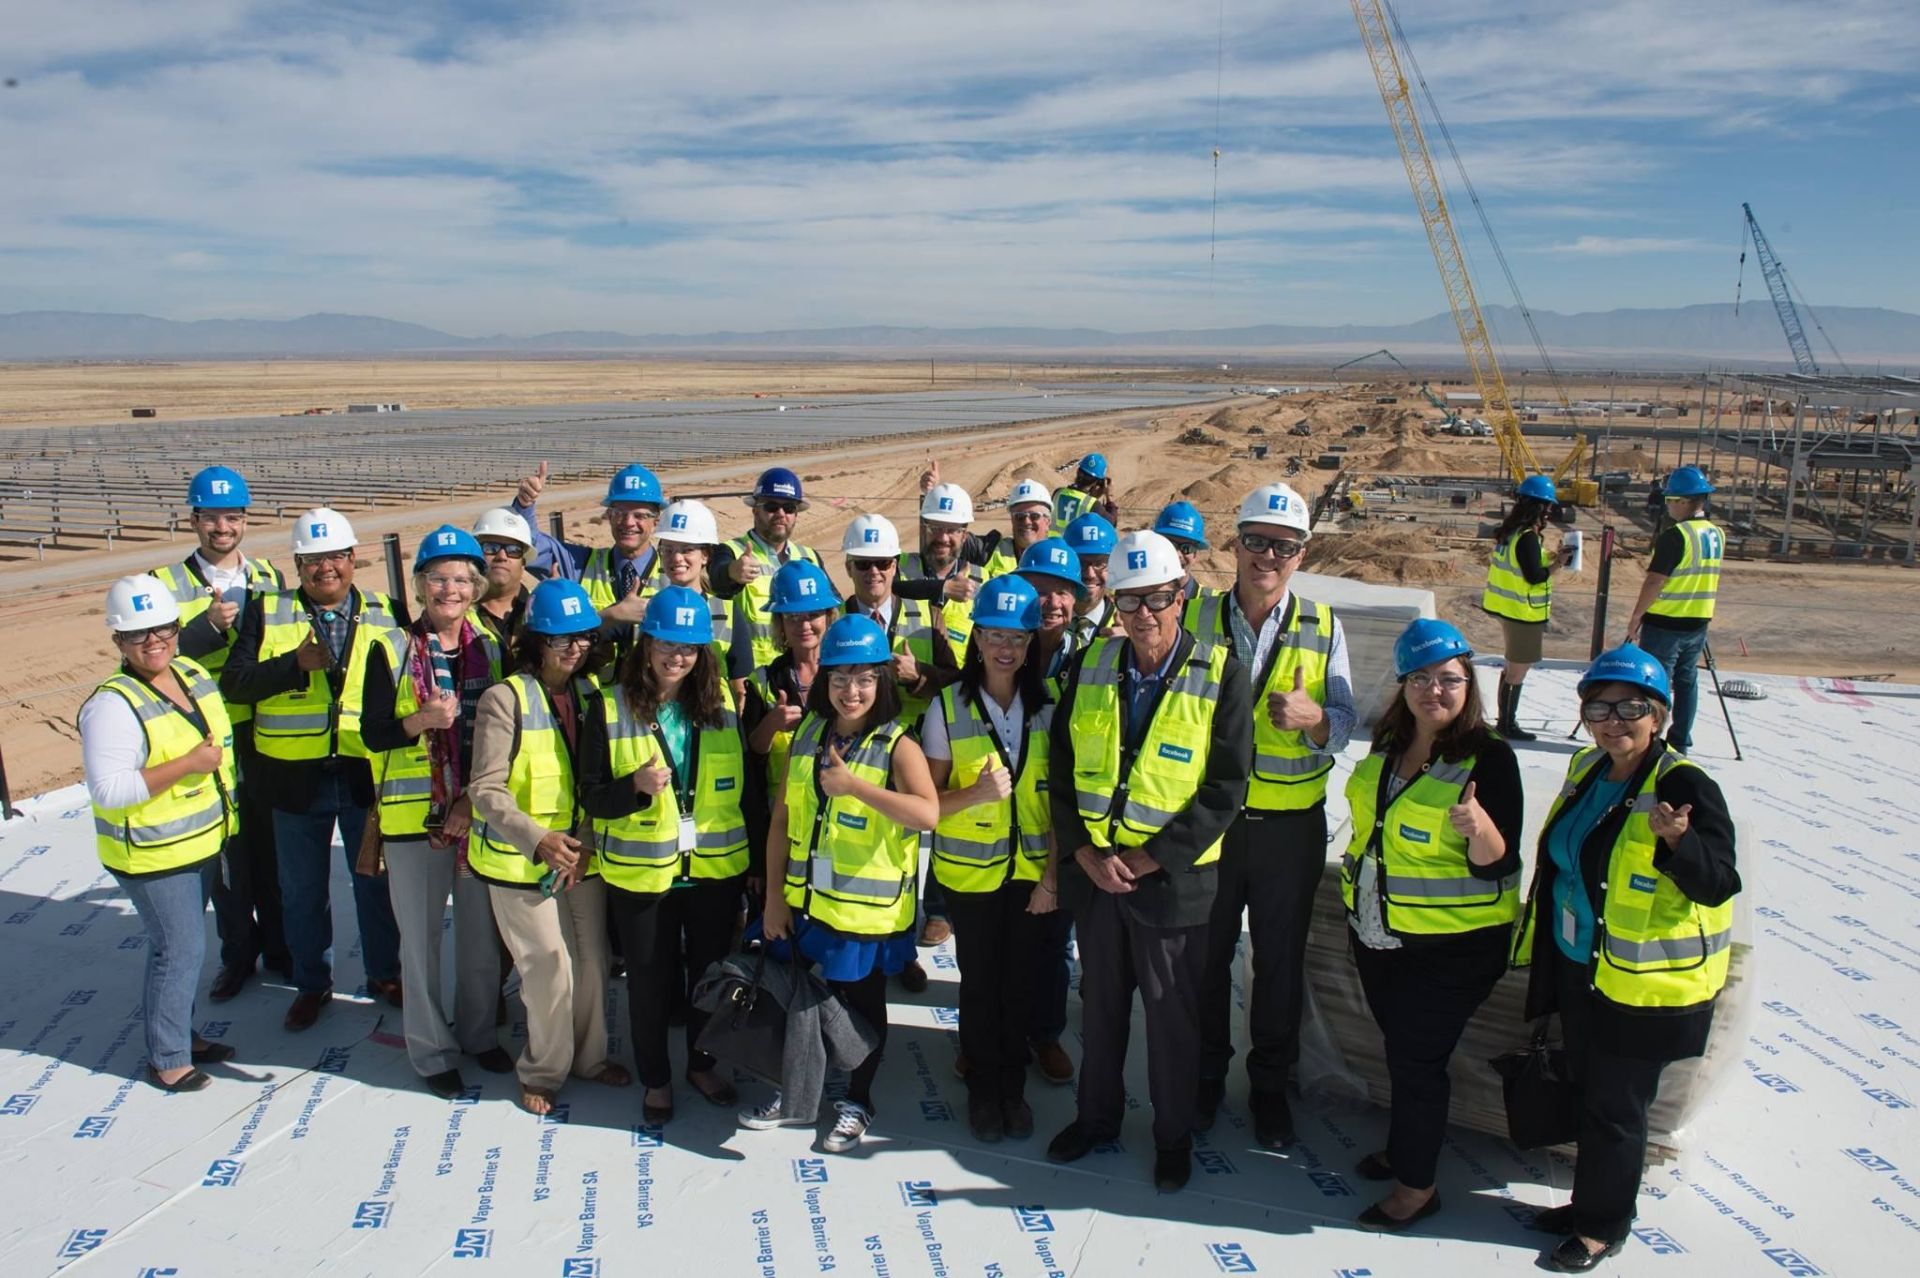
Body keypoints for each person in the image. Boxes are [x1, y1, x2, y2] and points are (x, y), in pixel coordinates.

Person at [1513, 645, 1739, 1272]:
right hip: (1580, 963)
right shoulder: (1590, 767)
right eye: (1599, 707)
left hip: (1640, 985)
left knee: (1617, 1107)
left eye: (1631, 707)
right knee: (1590, 1091)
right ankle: (1590, 1202)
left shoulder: (1683, 784)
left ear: (1660, 714)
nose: (1614, 720)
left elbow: (1718, 881)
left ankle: (1603, 1225)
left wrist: (1680, 842)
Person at [1046, 531, 1252, 1192]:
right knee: (1101, 1011)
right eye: (1130, 600)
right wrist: (1082, 849)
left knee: (1171, 1020)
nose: (1143, 615)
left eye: (1157, 599)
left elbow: (1226, 788)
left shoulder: (1220, 672)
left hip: (1173, 887)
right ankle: (1097, 1119)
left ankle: (1172, 1137)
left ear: (1182, 595)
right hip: (1098, 878)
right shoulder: (1090, 667)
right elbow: (1061, 767)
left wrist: (1147, 858)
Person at [1184, 482, 1357, 1148]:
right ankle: (1203, 1078)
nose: (1267, 557)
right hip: (1214, 825)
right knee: (1206, 960)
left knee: (1279, 965)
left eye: (1283, 547)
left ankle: (1268, 1087)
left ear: (1302, 553)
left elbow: (1346, 723)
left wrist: (1317, 721)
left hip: (1290, 828)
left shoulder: (1324, 625)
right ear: (1235, 544)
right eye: (1255, 541)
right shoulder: (1197, 619)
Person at [1340, 619, 1523, 1231]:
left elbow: (1503, 863)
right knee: (1403, 1052)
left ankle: (1416, 1188)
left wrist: (1480, 830)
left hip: (1452, 949)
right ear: (1402, 686)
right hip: (1381, 933)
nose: (1434, 692)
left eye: (1449, 679)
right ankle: (1404, 1148)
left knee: (1418, 1061)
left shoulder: (1490, 759)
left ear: (1470, 684)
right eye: (1420, 679)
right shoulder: (1390, 740)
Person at [751, 615, 941, 1152]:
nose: (850, 691)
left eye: (863, 679)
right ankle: (793, 1093)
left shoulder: (896, 744)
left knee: (860, 1012)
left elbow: (927, 815)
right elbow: (783, 821)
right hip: (806, 905)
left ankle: (857, 1100)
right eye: (839, 678)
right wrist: (773, 899)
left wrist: (854, 786)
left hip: (865, 916)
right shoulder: (809, 734)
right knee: (798, 1003)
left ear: (881, 682)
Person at [219, 508, 405, 1031]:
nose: (326, 568)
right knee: (301, 890)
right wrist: (291, 667)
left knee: (372, 882)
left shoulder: (385, 609)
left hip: (361, 774)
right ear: (297, 565)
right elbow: (235, 684)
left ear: (352, 558)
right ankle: (310, 983)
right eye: (313, 559)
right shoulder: (267, 611)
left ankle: (384, 974)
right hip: (294, 780)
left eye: (336, 557)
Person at [582, 586, 757, 1123]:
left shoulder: (723, 707)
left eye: (689, 647)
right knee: (650, 985)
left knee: (709, 980)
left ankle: (701, 1065)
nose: (676, 657)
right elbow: (590, 795)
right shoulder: (607, 705)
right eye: (665, 644)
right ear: (645, 642)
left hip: (713, 871)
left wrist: (754, 874)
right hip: (643, 875)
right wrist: (632, 785)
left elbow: (748, 792)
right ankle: (656, 1079)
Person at [467, 578, 632, 1115]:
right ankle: (542, 1070)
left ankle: (588, 1058)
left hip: (580, 852)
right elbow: (485, 789)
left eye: (582, 637)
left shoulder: (589, 695)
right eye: (561, 639)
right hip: (523, 860)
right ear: (535, 641)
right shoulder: (505, 698)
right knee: (548, 967)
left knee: (592, 960)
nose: (574, 648)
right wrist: (538, 840)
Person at [359, 527, 512, 1099]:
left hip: (474, 814)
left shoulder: (490, 647)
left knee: (479, 938)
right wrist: (420, 723)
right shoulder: (389, 648)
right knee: (419, 946)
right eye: (438, 579)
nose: (450, 589)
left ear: (475, 587)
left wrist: (471, 799)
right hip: (412, 823)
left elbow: (504, 735)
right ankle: (432, 1051)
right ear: (420, 585)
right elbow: (372, 734)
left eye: (461, 579)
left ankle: (478, 1035)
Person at [80, 575, 240, 1092]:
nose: (155, 643)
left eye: (164, 630)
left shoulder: (190, 671)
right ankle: (167, 1057)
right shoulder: (112, 705)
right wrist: (189, 765)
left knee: (181, 946)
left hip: (198, 840)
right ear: (118, 643)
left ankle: (179, 1034)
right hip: (153, 852)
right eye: (139, 635)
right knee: (180, 949)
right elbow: (110, 790)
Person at [924, 575, 1057, 1141]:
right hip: (971, 878)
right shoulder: (946, 708)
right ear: (976, 638)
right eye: (995, 635)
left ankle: (1013, 1088)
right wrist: (975, 795)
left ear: (1031, 645)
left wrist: (1053, 877)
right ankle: (984, 1087)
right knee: (980, 984)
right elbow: (926, 804)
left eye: (1019, 638)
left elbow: (1065, 803)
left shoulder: (1050, 707)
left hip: (1032, 877)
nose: (1007, 649)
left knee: (1021, 983)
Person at [151, 465, 290, 1003]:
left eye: (232, 517)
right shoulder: (167, 585)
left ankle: (282, 948)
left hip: (267, 735)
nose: (222, 528)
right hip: (205, 740)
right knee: (227, 857)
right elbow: (153, 655)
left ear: (245, 520)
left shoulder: (269, 577)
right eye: (211, 518)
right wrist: (206, 628)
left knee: (272, 850)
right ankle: (239, 954)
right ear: (194, 521)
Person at [1011, 536, 1086, 1085]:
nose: (1051, 603)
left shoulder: (1095, 658)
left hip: (1061, 815)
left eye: (1062, 592)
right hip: (1003, 815)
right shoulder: (1001, 644)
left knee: (1054, 938)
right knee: (997, 941)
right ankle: (987, 1036)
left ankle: (1045, 1034)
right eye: (1040, 591)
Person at [513, 461, 668, 669]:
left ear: (656, 521)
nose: (628, 522)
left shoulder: (673, 573)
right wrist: (524, 505)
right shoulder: (578, 564)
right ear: (609, 517)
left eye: (639, 515)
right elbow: (528, 546)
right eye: (619, 513)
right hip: (591, 698)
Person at [1624, 466, 1724, 754]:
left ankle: (1650, 740)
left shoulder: (1676, 535)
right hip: (1698, 620)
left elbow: (1656, 579)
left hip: (1667, 620)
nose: (1667, 506)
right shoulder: (1716, 534)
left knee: (1658, 683)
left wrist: (1636, 616)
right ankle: (1680, 740)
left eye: (1670, 500)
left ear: (1684, 501)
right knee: (1687, 680)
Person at [837, 513, 959, 727]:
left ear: (894, 567)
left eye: (882, 563)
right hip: (854, 749)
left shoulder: (929, 616)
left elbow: (954, 685)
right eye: (863, 564)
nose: (874, 572)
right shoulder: (833, 620)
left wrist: (919, 674)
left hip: (915, 746)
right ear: (849, 568)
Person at [1482, 475, 1573, 741]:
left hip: (1510, 610)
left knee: (1511, 668)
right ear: (1539, 508)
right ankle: (1507, 724)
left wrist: (1550, 558)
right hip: (1524, 613)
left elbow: (1527, 565)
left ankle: (1504, 721)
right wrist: (1558, 565)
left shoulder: (1512, 534)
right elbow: (1535, 576)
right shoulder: (1527, 538)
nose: (1549, 512)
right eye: (1547, 507)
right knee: (1517, 671)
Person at [709, 467, 827, 672]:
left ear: (796, 515)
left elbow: (832, 613)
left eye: (789, 508)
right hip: (751, 681)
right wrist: (731, 573)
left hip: (802, 677)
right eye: (771, 506)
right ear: (755, 509)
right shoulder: (731, 552)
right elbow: (716, 578)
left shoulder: (810, 558)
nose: (781, 514)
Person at [901, 480, 985, 654]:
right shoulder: (896, 569)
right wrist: (942, 588)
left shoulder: (984, 582)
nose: (943, 538)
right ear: (924, 530)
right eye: (936, 528)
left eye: (952, 530)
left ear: (964, 536)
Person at [470, 507, 535, 645]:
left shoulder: (540, 610)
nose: (501, 556)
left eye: (514, 550)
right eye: (491, 547)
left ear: (523, 563)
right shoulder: (456, 614)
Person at [1062, 513, 1119, 647]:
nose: (1090, 574)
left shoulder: (1125, 625)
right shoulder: (1044, 619)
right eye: (1081, 563)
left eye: (1100, 564)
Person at [982, 478, 1055, 578]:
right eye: (1020, 516)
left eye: (1034, 516)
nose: (1026, 522)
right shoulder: (989, 552)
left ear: (1048, 521)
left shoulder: (1059, 558)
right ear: (1012, 519)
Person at [1153, 500, 1215, 603]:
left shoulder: (1212, 603)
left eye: (1186, 548)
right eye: (1170, 545)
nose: (1177, 555)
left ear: (1195, 555)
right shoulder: (1132, 601)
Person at [1052, 453, 1118, 526]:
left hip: (1053, 537)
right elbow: (1111, 523)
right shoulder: (1093, 505)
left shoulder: (1058, 493)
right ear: (1096, 482)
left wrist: (1091, 497)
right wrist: (1110, 497)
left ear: (1078, 471)